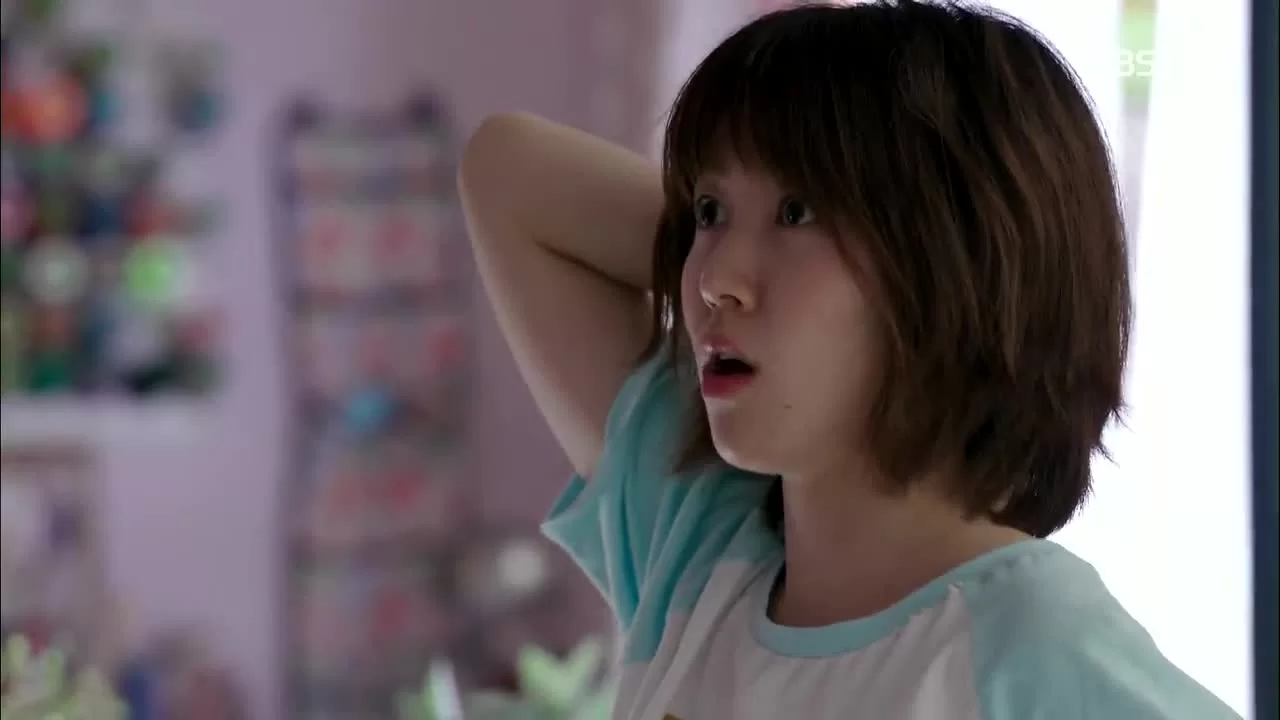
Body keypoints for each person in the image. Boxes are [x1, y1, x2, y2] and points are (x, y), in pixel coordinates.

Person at [458, 2, 1242, 718]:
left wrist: (966, 295)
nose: (714, 278)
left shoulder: (1034, 652)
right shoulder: (695, 556)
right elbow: (507, 172)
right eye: (709, 211)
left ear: (953, 265)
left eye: (798, 211)